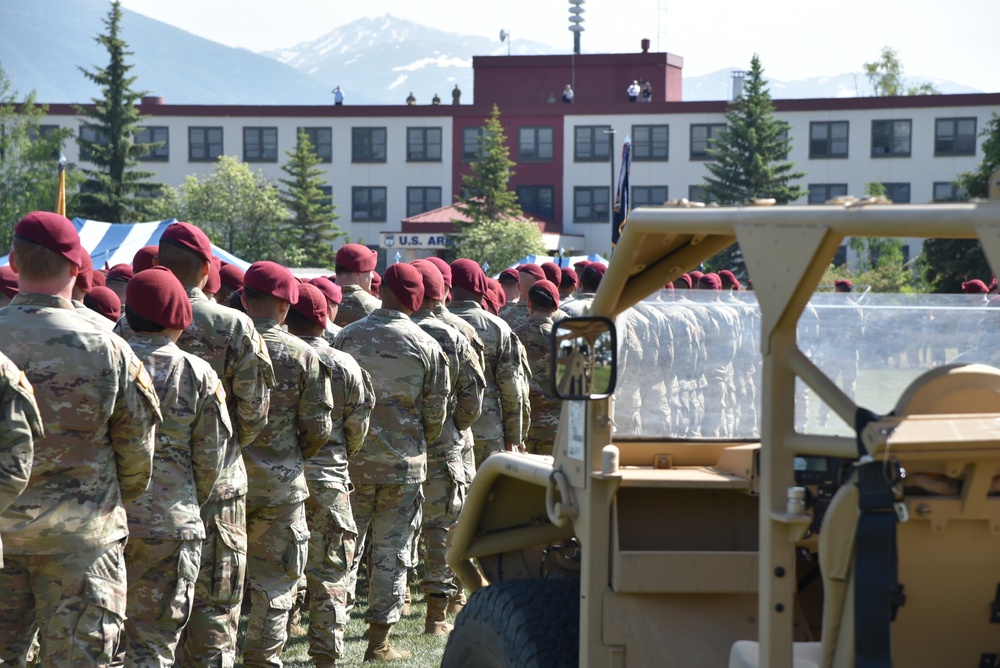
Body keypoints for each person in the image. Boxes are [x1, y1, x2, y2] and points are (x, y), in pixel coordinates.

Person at [0, 211, 161, 666]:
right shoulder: (108, 345)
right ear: (77, 269)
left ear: (14, 260)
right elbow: (137, 451)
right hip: (83, 539)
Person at [153, 222, 275, 668]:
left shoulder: (131, 323)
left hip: (150, 486)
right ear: (208, 268)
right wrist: (224, 449)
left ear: (160, 263)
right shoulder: (233, 323)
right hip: (220, 488)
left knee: (152, 612)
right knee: (215, 608)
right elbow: (255, 410)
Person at [333, 263, 449, 661]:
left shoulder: (347, 335)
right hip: (404, 464)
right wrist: (415, 443)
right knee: (392, 552)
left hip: (353, 461)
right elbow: (435, 414)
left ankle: (330, 634)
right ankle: (378, 642)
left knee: (345, 548)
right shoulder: (425, 343)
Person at [119, 266, 229, 667]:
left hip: (108, 520)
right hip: (171, 522)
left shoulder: (108, 361)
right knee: (155, 642)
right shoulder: (197, 373)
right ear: (181, 319)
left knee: (105, 642)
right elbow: (211, 459)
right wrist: (184, 500)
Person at [242, 261, 333, 667]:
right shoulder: (302, 354)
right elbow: (317, 428)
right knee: (275, 586)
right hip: (279, 485)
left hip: (218, 482)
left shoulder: (225, 341)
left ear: (245, 299)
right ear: (285, 306)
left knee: (213, 588)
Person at [286, 283, 374, 667]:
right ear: (326, 318)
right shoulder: (344, 363)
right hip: (328, 477)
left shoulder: (270, 354)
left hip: (277, 476)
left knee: (273, 569)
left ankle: (277, 637)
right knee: (331, 571)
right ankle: (324, 655)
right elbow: (358, 425)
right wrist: (338, 459)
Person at [409, 260, 485, 636]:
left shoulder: (372, 331)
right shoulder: (456, 333)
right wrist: (453, 427)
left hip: (390, 445)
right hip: (445, 443)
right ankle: (437, 614)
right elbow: (473, 398)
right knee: (442, 525)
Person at [449, 259, 526, 463]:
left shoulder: (436, 323)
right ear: (481, 288)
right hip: (488, 430)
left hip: (447, 432)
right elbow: (512, 389)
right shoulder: (497, 327)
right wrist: (514, 437)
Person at [513, 280, 562, 455]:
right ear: (555, 308)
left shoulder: (513, 337)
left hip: (521, 427)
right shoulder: (565, 340)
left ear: (529, 303)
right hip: (556, 426)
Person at [334, 243, 381, 326]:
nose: (372, 276)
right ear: (359, 272)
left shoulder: (322, 303)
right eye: (370, 271)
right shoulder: (377, 309)